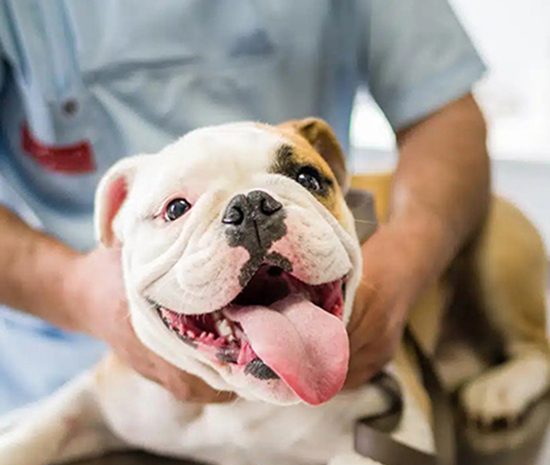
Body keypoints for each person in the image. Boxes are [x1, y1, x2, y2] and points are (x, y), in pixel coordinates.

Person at [0, 0, 489, 414]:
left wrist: (404, 260)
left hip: (332, 336)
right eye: (176, 208)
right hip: (53, 367)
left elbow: (443, 113)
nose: (250, 217)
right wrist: (75, 290)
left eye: (301, 175)